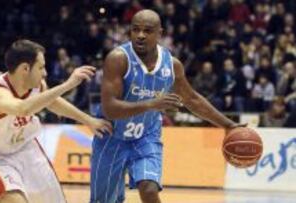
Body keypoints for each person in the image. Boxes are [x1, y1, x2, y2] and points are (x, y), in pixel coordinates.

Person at [91, 10, 243, 203]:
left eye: (147, 30)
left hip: (146, 137)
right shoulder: (118, 59)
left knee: (149, 189)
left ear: (160, 34)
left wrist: (228, 124)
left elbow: (191, 99)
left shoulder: (172, 65)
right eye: (135, 29)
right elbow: (110, 108)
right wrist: (151, 104)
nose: (140, 35)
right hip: (111, 137)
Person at [0, 39, 112, 203]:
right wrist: (68, 85)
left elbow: (52, 102)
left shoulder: (36, 85)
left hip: (27, 149)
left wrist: (88, 120)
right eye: (41, 67)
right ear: (25, 68)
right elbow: (23, 108)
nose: (45, 73)